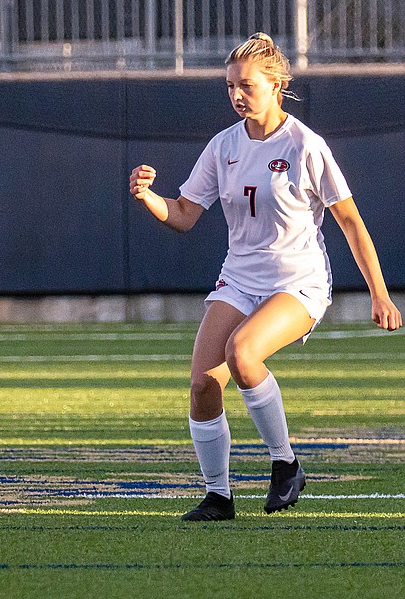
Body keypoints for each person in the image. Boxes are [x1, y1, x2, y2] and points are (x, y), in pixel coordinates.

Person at [129, 32, 402, 522]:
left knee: (242, 352)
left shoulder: (304, 145)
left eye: (247, 85)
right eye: (230, 85)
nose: (237, 94)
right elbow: (186, 213)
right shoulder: (223, 146)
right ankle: (219, 496)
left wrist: (379, 295)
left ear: (276, 85)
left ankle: (285, 463)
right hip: (239, 279)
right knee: (201, 386)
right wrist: (150, 197)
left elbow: (351, 222)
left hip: (298, 283)